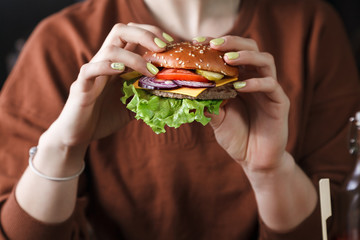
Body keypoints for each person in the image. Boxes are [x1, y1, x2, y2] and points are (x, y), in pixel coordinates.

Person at [0, 0, 359, 239]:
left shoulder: (313, 29)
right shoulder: (61, 42)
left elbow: (337, 225)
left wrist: (271, 171)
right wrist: (64, 148)